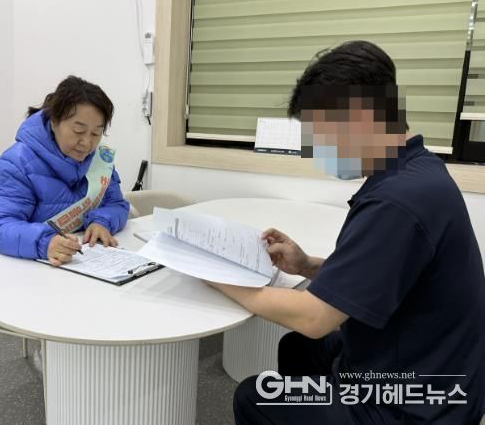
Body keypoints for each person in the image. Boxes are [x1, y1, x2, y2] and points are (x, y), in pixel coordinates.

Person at [208, 41, 485, 424]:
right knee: (299, 350)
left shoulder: (396, 201)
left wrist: (218, 275)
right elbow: (380, 275)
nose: (317, 149)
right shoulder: (417, 170)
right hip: (433, 364)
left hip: (416, 403)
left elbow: (314, 318)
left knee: (254, 397)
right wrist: (307, 265)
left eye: (321, 135)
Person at [0, 75, 130, 266]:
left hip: (87, 264)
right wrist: (45, 242)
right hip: (32, 268)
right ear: (54, 121)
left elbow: (116, 204)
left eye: (96, 133)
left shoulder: (100, 160)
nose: (87, 143)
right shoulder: (17, 162)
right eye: (78, 131)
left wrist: (101, 221)